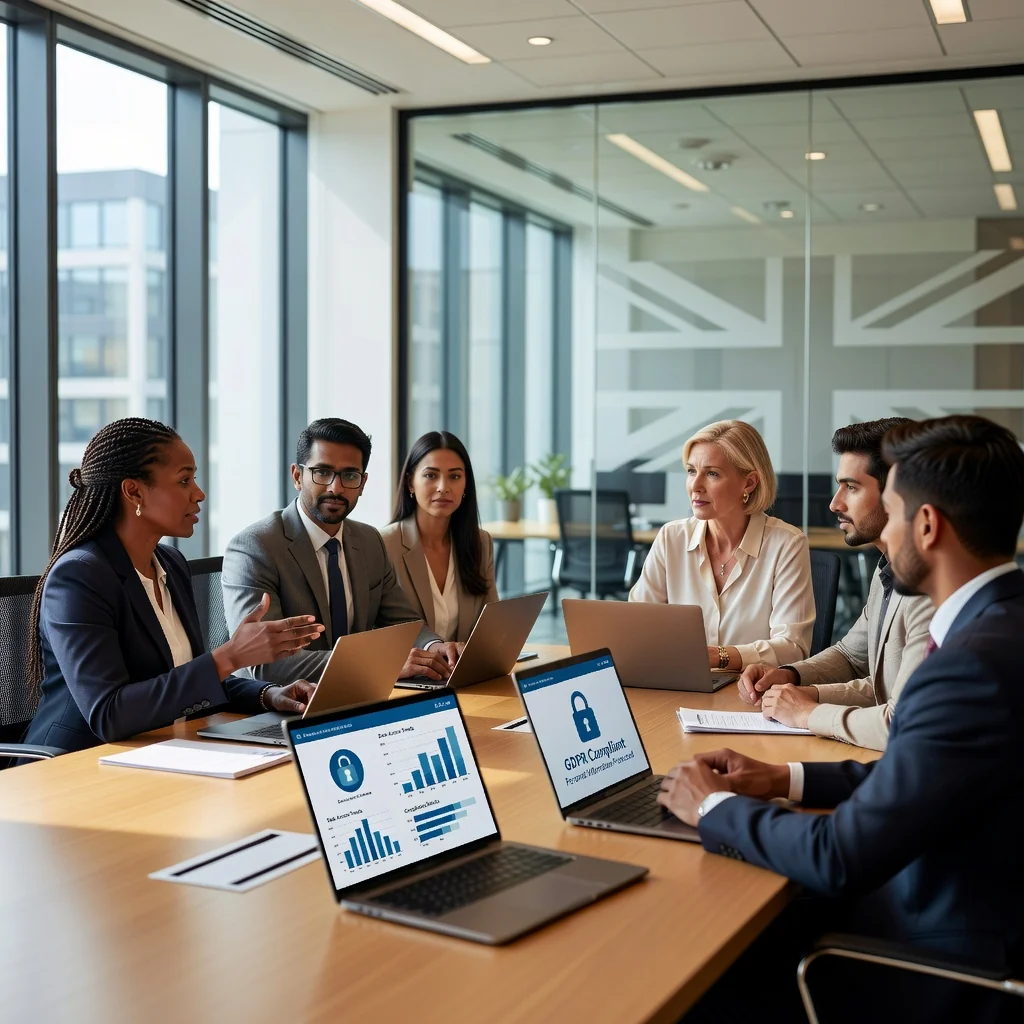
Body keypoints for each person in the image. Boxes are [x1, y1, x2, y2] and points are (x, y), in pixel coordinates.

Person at [659, 415, 1024, 1023]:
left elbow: (840, 854)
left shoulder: (969, 667)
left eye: (897, 508)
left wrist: (711, 808)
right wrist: (782, 780)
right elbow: (921, 771)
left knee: (707, 973)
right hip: (954, 896)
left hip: (946, 960)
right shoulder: (999, 628)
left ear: (927, 526)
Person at [24, 418, 323, 754]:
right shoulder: (79, 577)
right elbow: (109, 714)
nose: (199, 493)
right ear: (133, 490)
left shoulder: (171, 564)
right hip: (76, 765)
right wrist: (230, 655)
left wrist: (268, 694)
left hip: (158, 749)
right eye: (184, 480)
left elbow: (188, 682)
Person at [737, 417, 933, 750]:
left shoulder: (930, 591)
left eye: (851, 487)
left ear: (898, 495)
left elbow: (898, 720)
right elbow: (853, 658)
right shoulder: (887, 570)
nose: (835, 503)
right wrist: (791, 677)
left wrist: (807, 712)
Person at [222, 418, 453, 686]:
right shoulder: (255, 547)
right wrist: (379, 664)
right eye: (322, 472)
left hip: (359, 696)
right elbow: (264, 664)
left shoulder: (369, 541)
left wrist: (435, 647)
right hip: (281, 706)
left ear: (363, 483)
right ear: (298, 476)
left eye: (350, 476)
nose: (336, 488)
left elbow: (403, 624)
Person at [629, 419, 814, 672]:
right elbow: (636, 624)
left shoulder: (787, 544)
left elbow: (792, 647)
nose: (695, 486)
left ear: (749, 483)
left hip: (750, 695)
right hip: (680, 686)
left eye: (712, 473)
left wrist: (720, 656)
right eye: (691, 471)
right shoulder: (671, 538)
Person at [380, 431, 498, 646]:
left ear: (465, 486)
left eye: (454, 476)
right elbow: (375, 631)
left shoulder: (480, 542)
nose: (443, 487)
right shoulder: (384, 544)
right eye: (431, 475)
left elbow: (492, 626)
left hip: (464, 674)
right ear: (410, 483)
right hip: (405, 676)